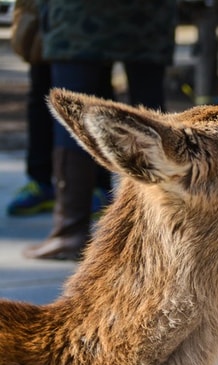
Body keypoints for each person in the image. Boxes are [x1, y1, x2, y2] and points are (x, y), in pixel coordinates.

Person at [23, 0, 177, 260]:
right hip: (148, 17)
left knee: (75, 110)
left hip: (79, 18)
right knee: (151, 116)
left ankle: (71, 231)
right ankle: (165, 234)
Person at [6, 0, 55, 216]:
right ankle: (40, 182)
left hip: (86, 26)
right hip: (41, 18)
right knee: (40, 98)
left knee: (90, 94)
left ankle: (95, 187)